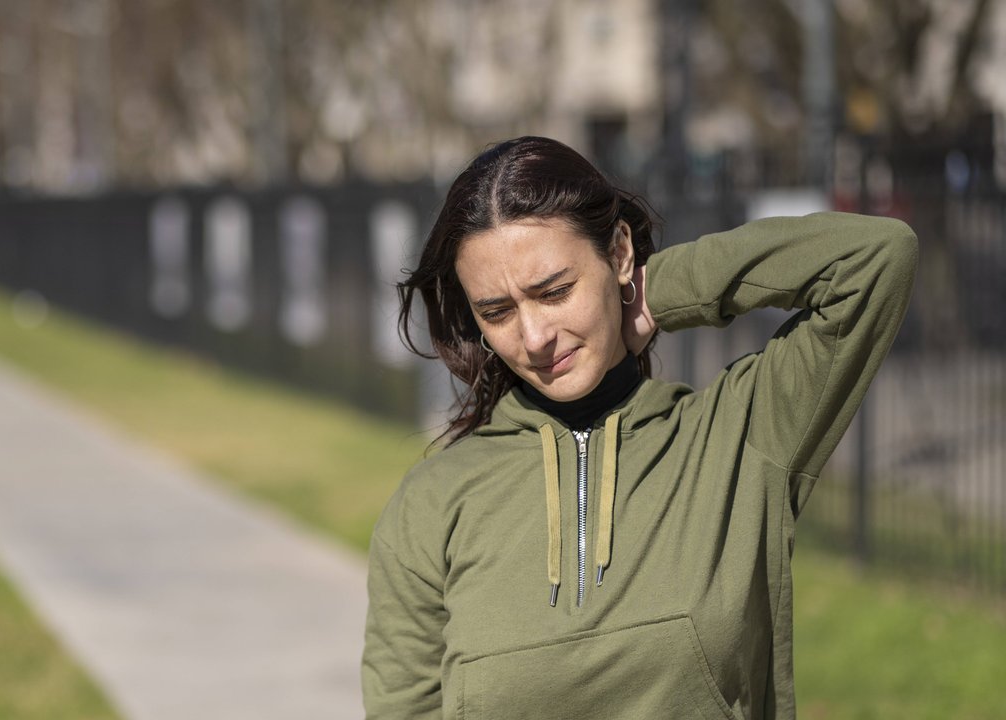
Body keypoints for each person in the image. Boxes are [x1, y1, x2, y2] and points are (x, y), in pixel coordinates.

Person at [361, 136, 917, 719]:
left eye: (554, 291)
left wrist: (656, 292)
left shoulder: (741, 437)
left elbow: (877, 260)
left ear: (619, 251)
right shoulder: (430, 507)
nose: (533, 338)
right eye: (496, 311)